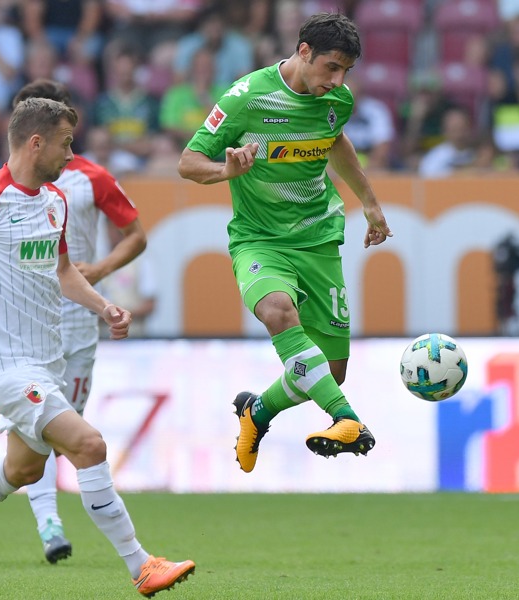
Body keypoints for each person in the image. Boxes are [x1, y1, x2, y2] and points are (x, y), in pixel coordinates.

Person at [0, 97, 193, 595]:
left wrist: (104, 307)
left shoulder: (55, 200)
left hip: (47, 363)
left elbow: (62, 271)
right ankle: (141, 564)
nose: (71, 155)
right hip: (7, 370)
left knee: (23, 468)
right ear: (36, 142)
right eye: (65, 143)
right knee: (89, 445)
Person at [177, 12, 393, 473]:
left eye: (346, 73)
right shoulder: (247, 97)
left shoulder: (338, 100)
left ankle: (257, 412)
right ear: (303, 52)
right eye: (331, 68)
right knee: (278, 310)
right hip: (260, 239)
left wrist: (371, 205)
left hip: (317, 239)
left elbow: (336, 143)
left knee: (329, 371)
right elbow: (188, 162)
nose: (337, 81)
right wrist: (225, 172)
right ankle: (347, 419)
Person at [11, 80, 147, 564]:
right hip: (29, 323)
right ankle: (49, 522)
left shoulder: (91, 178)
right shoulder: (5, 184)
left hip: (78, 319)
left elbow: (135, 235)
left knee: (64, 427)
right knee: (42, 425)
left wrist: (102, 270)